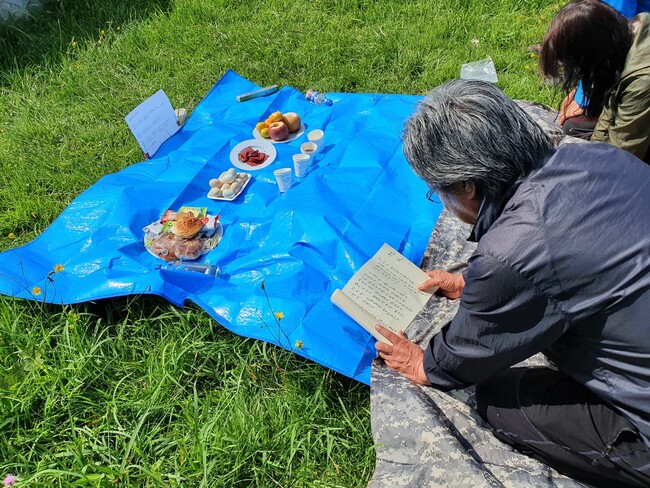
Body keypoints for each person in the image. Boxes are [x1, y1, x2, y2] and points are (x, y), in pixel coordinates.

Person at [377, 79, 650, 487]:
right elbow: (576, 259)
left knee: (500, 399)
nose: (444, 204)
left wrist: (423, 363)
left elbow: (463, 356)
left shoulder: (511, 250)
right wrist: (472, 282)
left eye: (439, 192)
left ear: (468, 185)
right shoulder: (600, 157)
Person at [540, 0, 650, 163]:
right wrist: (594, 148)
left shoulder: (641, 82)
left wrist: (590, 165)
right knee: (574, 127)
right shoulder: (633, 30)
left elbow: (624, 157)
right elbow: (609, 111)